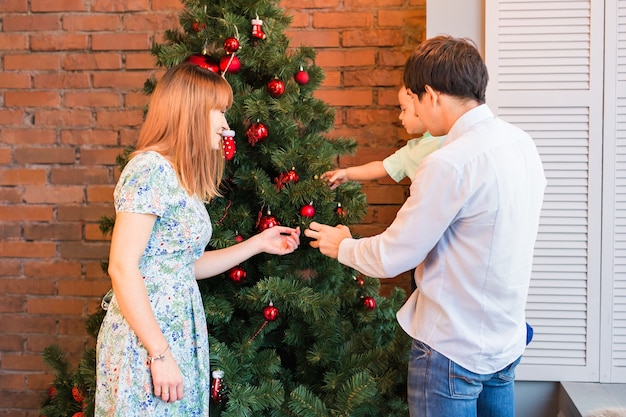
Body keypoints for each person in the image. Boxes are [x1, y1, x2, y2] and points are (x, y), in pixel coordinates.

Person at [304, 35, 546, 417]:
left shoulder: (449, 162)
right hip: (505, 340)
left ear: (430, 96)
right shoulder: (521, 143)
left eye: (413, 100)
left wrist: (343, 245)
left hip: (452, 349)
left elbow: (392, 256)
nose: (413, 108)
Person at [95, 62, 300, 416]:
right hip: (148, 340)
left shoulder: (177, 175)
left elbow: (182, 266)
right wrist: (159, 353)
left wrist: (258, 242)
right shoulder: (150, 168)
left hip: (176, 333)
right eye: (217, 111)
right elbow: (122, 268)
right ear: (188, 111)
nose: (225, 124)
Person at [320, 85, 444, 189]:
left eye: (404, 110)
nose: (400, 117)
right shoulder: (411, 151)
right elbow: (381, 167)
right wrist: (347, 174)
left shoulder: (450, 136)